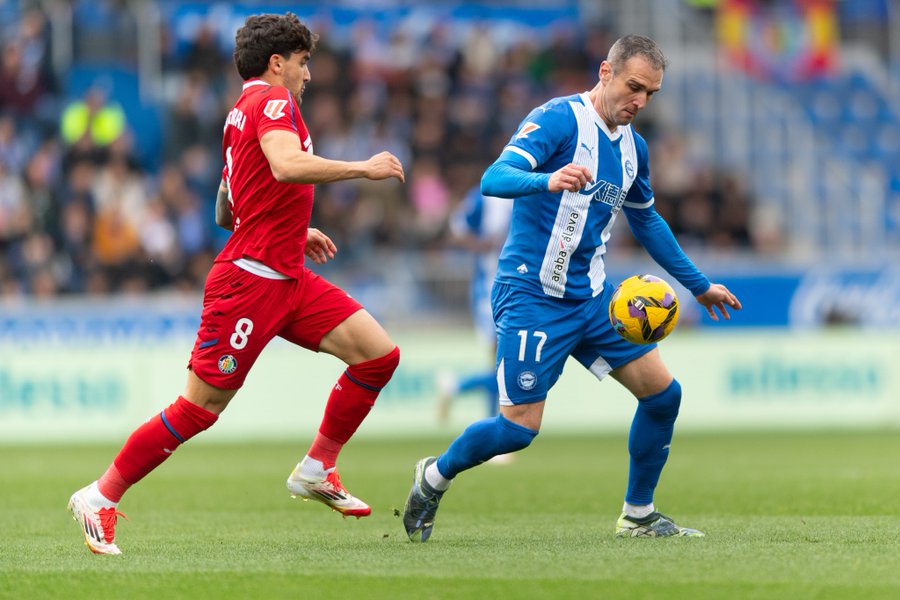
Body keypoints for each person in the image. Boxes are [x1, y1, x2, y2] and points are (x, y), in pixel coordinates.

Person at [68, 12, 406, 555]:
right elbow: (287, 165)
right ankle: (99, 496)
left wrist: (296, 226)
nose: (308, 75)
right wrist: (362, 169)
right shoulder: (273, 103)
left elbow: (228, 206)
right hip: (250, 282)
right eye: (302, 62)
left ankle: (317, 468)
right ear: (277, 63)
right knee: (198, 410)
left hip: (288, 274)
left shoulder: (237, 114)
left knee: (377, 356)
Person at [403, 34, 741, 542]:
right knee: (517, 430)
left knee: (663, 396)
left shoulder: (634, 149)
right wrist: (547, 180)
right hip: (532, 297)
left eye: (651, 93)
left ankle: (638, 514)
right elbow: (496, 177)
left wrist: (698, 285)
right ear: (605, 72)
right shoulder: (559, 119)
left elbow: (647, 222)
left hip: (594, 300)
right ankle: (433, 477)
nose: (640, 102)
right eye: (633, 87)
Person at [436, 186, 511, 429]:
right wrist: (480, 245)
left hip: (517, 288)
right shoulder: (486, 197)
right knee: (501, 362)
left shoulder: (532, 192)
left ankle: (458, 389)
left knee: (502, 364)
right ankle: (492, 423)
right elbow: (457, 227)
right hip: (489, 289)